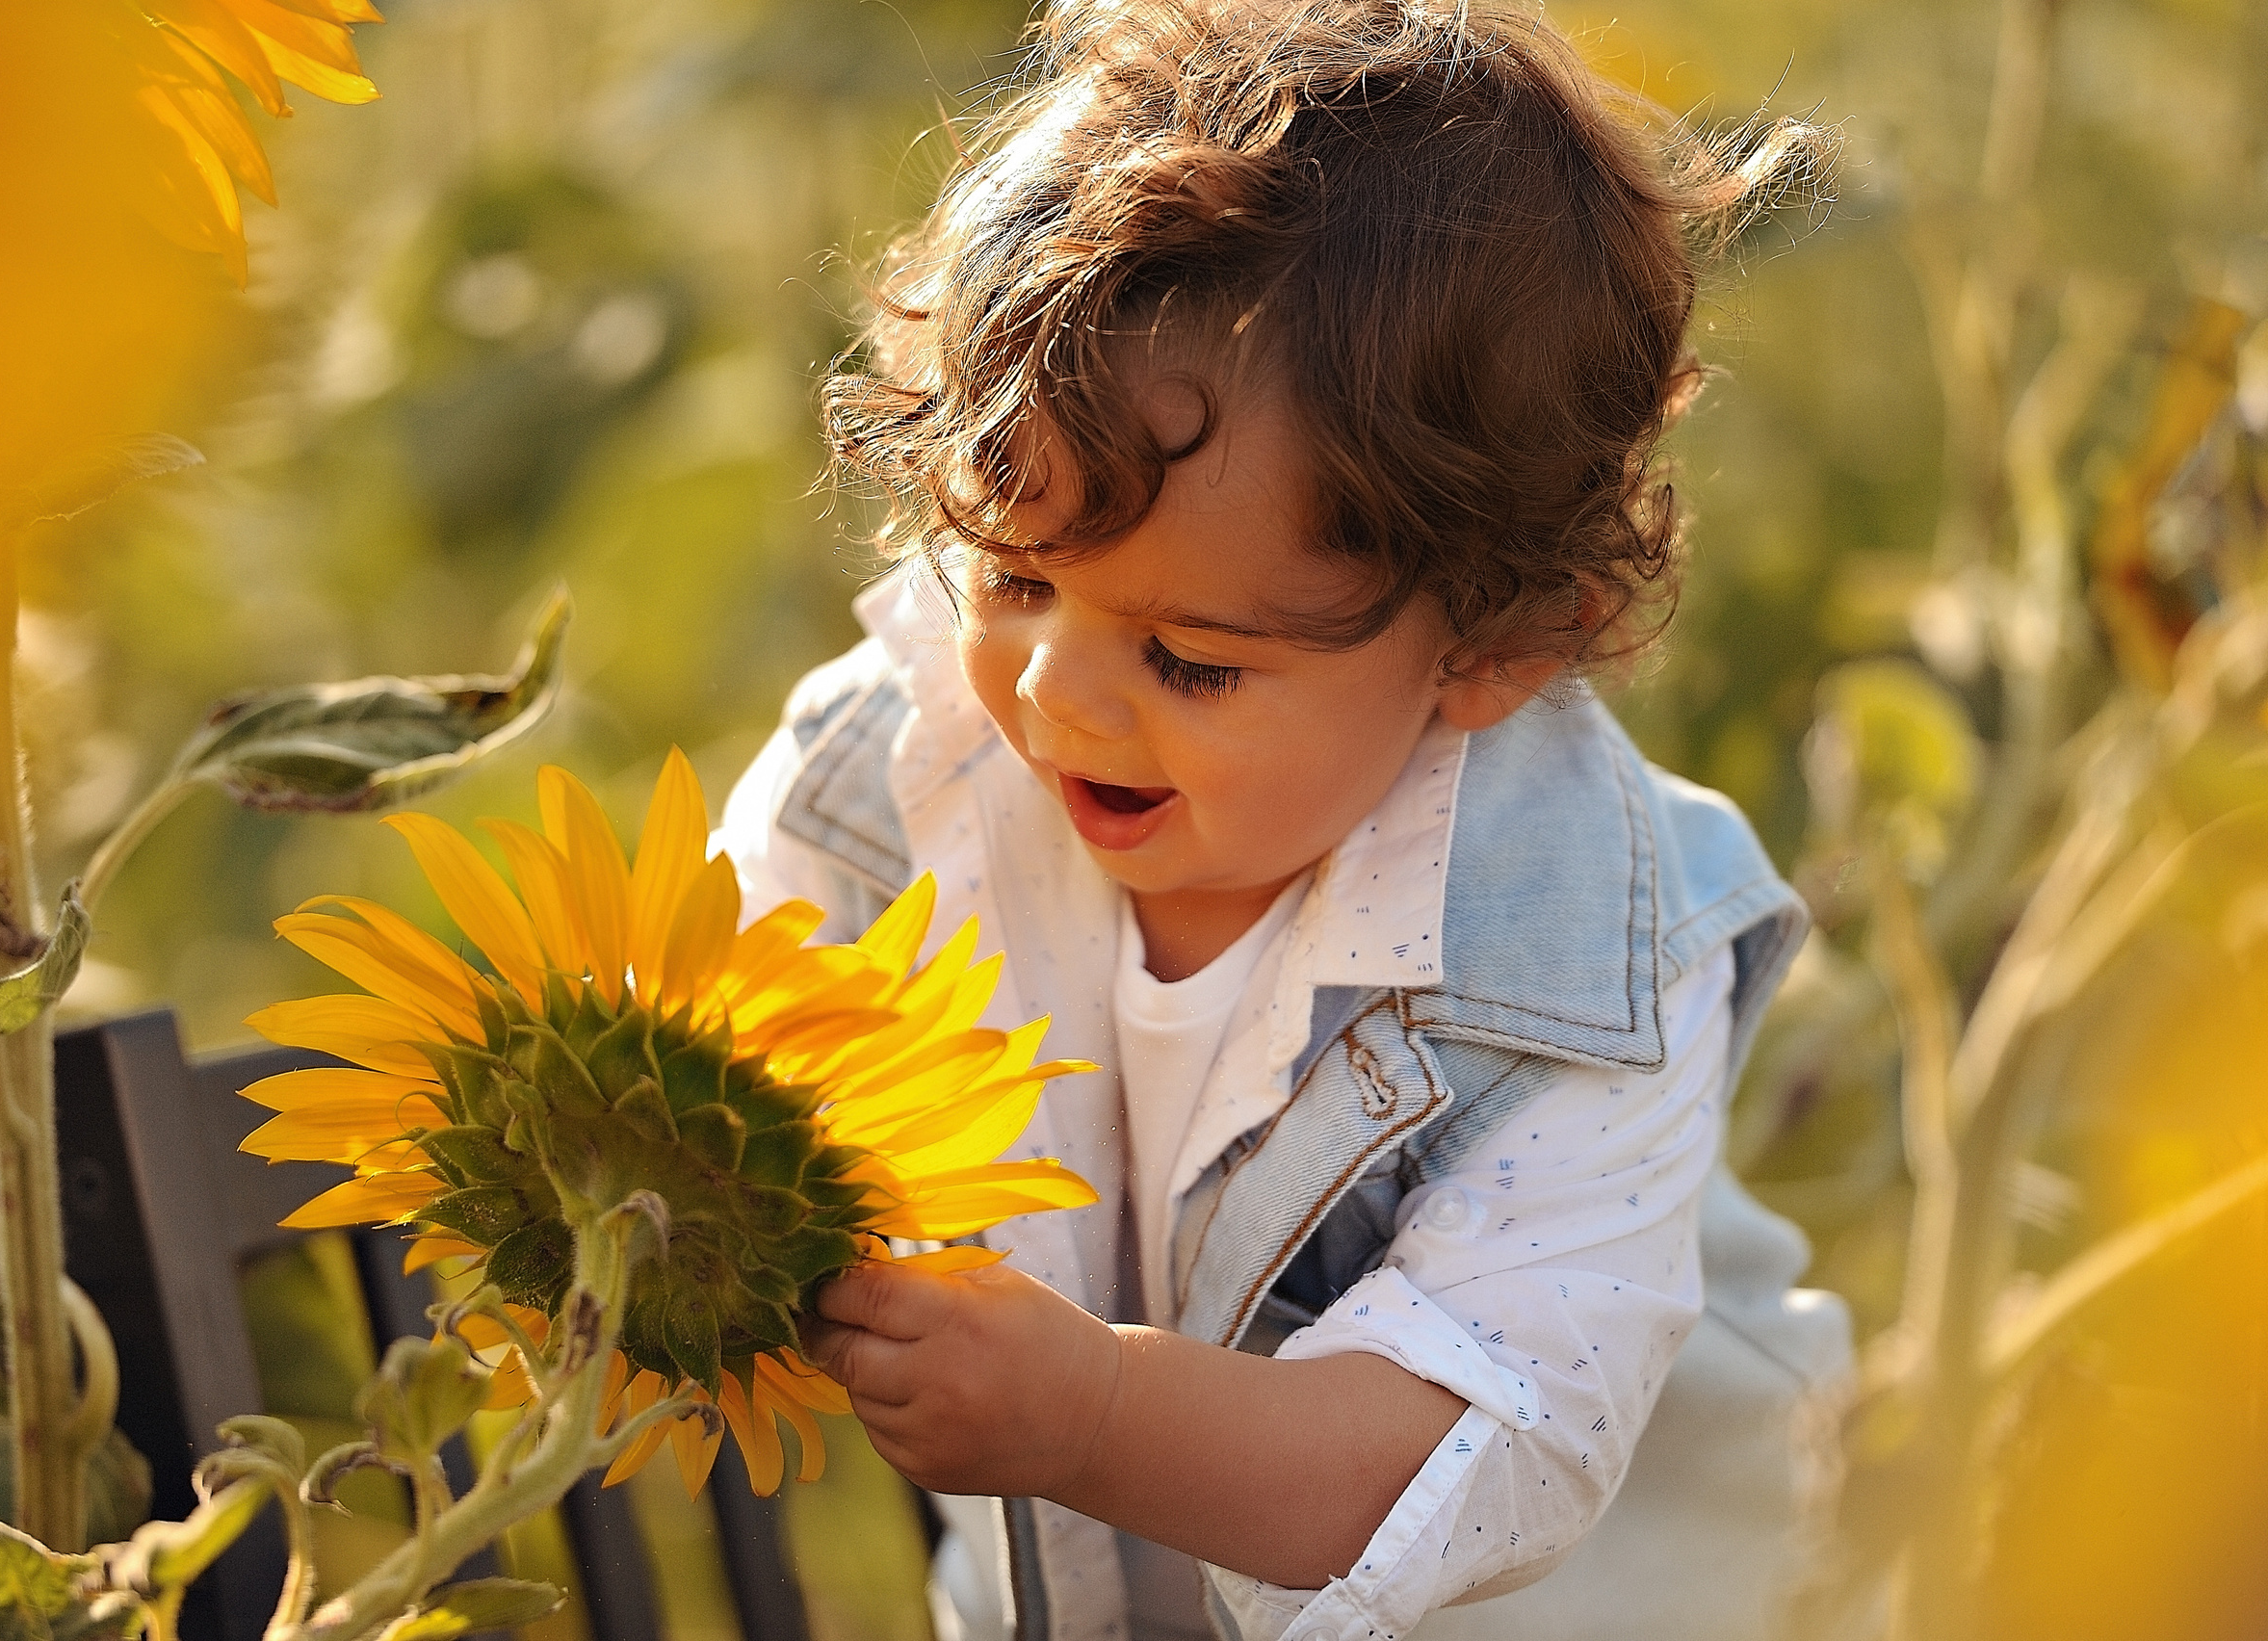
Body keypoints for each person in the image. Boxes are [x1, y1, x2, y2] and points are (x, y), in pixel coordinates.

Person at [716, 3, 1849, 1637]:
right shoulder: (902, 778)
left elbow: (1463, 1448)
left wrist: (1089, 1415)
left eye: (1191, 660)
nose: (1057, 698)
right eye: (1016, 577)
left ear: (1493, 641)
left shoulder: (1583, 961)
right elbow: (735, 1022)